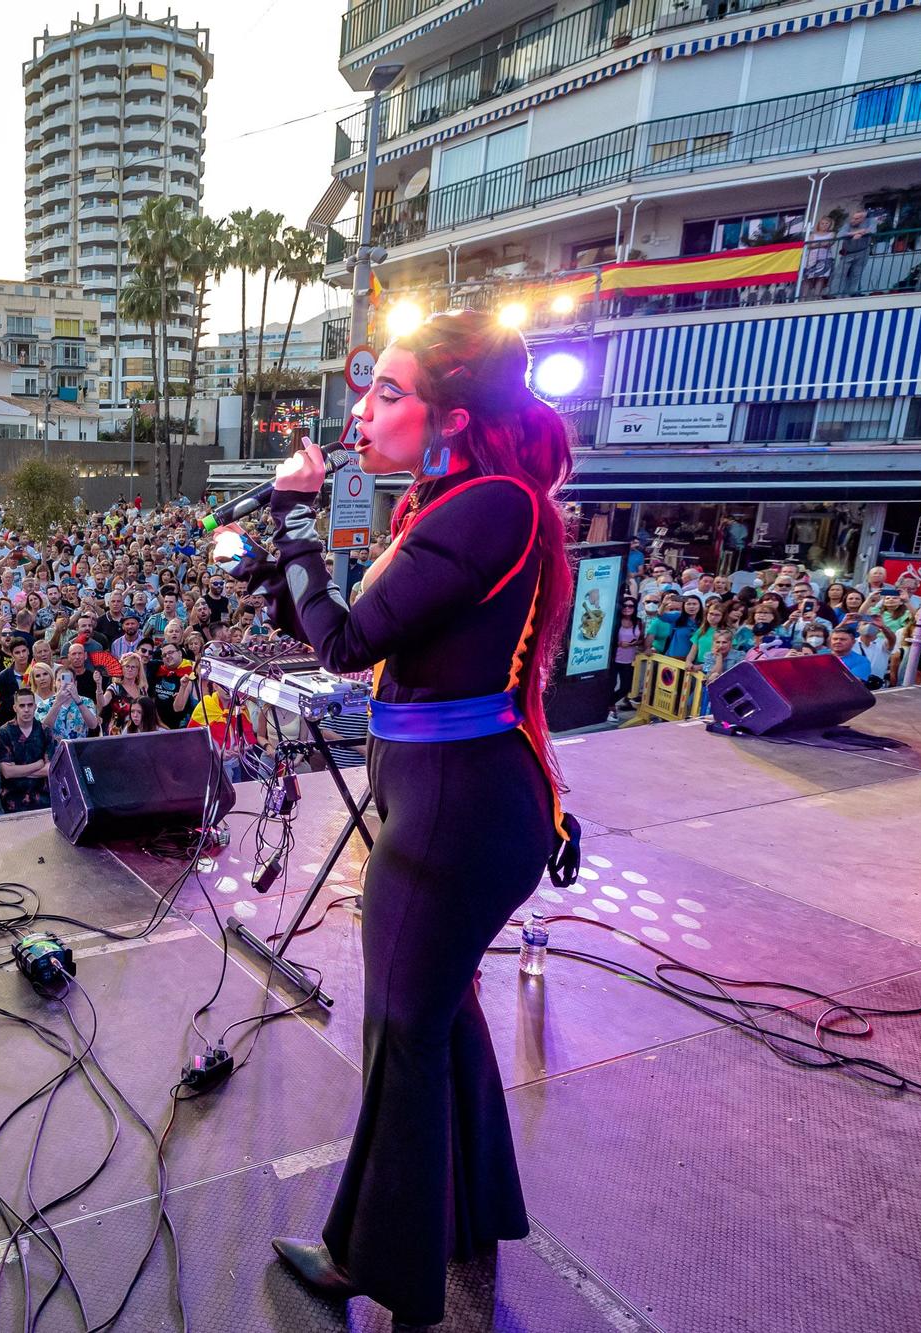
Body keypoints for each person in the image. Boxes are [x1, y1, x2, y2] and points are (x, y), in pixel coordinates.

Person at [239, 312, 571, 1326]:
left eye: (385, 391)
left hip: (452, 818)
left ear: (451, 417)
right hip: (448, 804)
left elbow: (345, 645)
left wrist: (295, 528)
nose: (360, 406)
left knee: (403, 1032)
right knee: (435, 1015)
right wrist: (281, 571)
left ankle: (368, 1261)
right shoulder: (465, 501)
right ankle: (468, 1210)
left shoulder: (486, 510)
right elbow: (381, 637)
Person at [0, 691, 53, 813]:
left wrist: (19, 771)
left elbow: (50, 769)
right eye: (22, 705)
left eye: (30, 705)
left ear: (35, 706)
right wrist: (38, 764)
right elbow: (8, 772)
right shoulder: (5, 732)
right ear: (15, 708)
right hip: (13, 800)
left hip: (43, 799)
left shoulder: (44, 731)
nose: (26, 709)